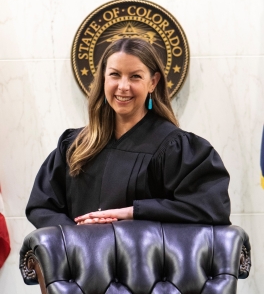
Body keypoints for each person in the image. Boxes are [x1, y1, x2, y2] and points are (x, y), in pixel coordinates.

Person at [26, 38, 231, 228]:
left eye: (135, 76)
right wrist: (78, 239)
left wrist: (132, 213)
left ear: (153, 82)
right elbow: (41, 206)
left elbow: (211, 207)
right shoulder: (75, 145)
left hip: (146, 265)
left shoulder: (175, 148)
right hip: (81, 263)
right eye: (115, 74)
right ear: (103, 78)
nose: (123, 86)